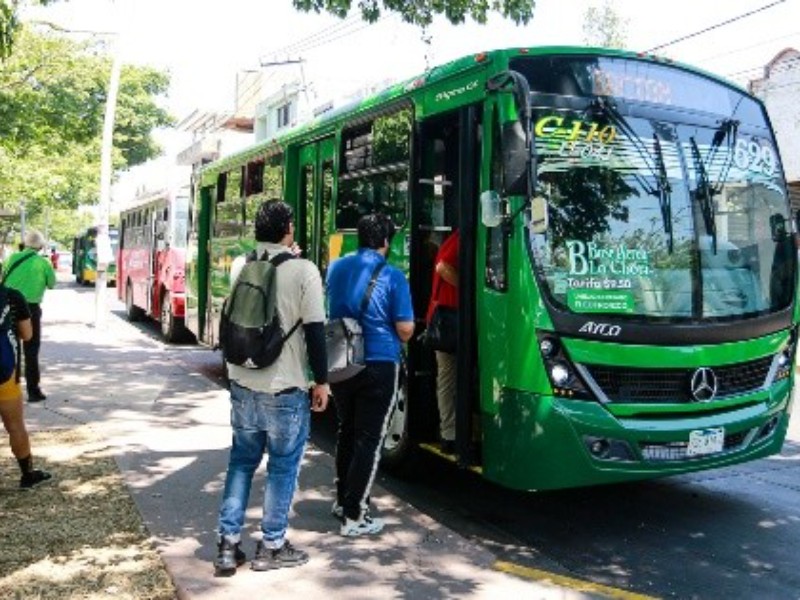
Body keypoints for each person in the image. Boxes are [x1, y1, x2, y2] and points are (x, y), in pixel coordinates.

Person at [213, 200, 330, 576]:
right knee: (282, 467)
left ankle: (227, 546)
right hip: (284, 385)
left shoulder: (241, 264)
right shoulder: (304, 270)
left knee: (241, 462)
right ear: (288, 229)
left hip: (242, 381)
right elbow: (315, 331)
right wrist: (322, 381)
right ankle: (272, 546)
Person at [325, 213, 414, 537]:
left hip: (342, 360)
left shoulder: (336, 268)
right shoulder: (393, 276)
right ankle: (354, 516)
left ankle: (341, 501)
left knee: (346, 431)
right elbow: (405, 329)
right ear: (386, 241)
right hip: (379, 363)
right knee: (369, 440)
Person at [0, 282, 52, 489]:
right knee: (15, 426)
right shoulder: (12, 296)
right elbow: (27, 335)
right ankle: (28, 474)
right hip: (5, 374)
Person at [2, 230, 56, 403]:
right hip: (30, 309)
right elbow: (52, 283)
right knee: (31, 349)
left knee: (9, 346)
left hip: (8, 307)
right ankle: (33, 391)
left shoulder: (11, 258)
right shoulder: (43, 262)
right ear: (40, 246)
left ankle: (11, 386)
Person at [425, 229, 459, 454]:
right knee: (447, 377)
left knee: (449, 378)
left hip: (448, 318)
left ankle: (451, 431)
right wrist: (469, 288)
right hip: (449, 320)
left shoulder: (455, 237)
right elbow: (443, 267)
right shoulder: (461, 238)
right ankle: (449, 434)